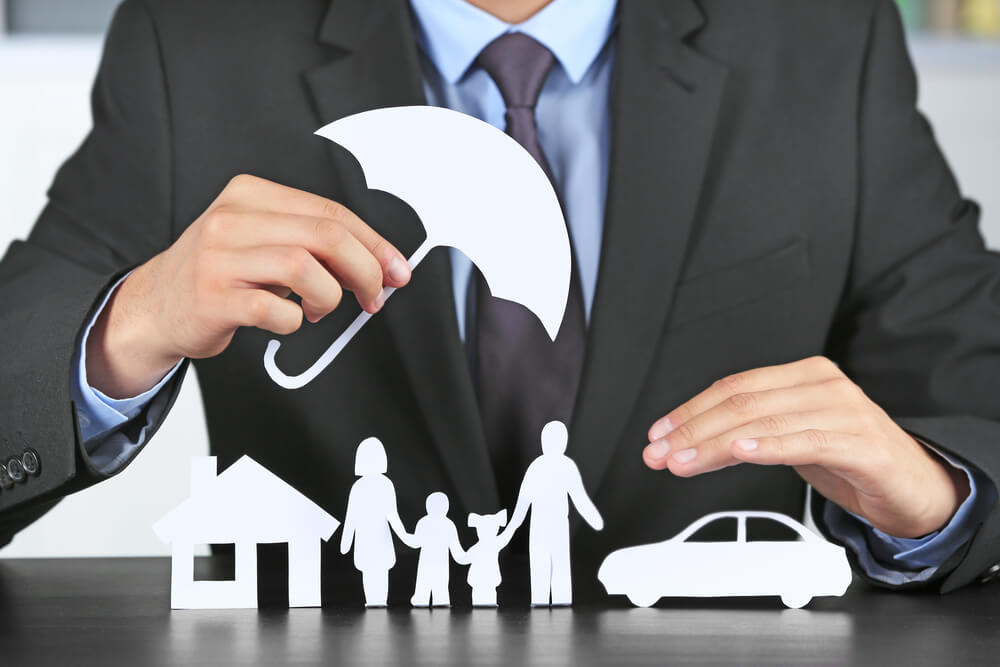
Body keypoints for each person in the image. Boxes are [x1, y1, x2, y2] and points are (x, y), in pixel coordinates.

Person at [1, 0, 999, 602]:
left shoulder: (822, 35)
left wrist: (932, 501)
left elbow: (973, 389)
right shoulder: (199, 38)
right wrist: (119, 333)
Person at [500, 421, 603, 606]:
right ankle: (542, 599)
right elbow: (523, 503)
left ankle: (560, 600)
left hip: (556, 527)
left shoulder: (563, 466)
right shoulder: (539, 467)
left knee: (559, 565)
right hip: (542, 527)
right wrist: (510, 528)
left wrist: (593, 517)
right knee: (542, 565)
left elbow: (579, 497)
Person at [340, 438, 413, 606]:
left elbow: (391, 515)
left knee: (377, 570)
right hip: (368, 538)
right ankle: (374, 601)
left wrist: (404, 535)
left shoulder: (377, 485)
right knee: (373, 570)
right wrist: (346, 541)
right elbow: (351, 516)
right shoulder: (367, 486)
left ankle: (378, 600)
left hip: (375, 538)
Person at [409, 491, 467, 607]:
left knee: (426, 582)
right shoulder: (448, 524)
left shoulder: (424, 522)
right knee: (436, 583)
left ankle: (423, 599)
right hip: (439, 563)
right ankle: (435, 600)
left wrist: (402, 534)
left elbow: (415, 542)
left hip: (429, 562)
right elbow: (457, 551)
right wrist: (468, 557)